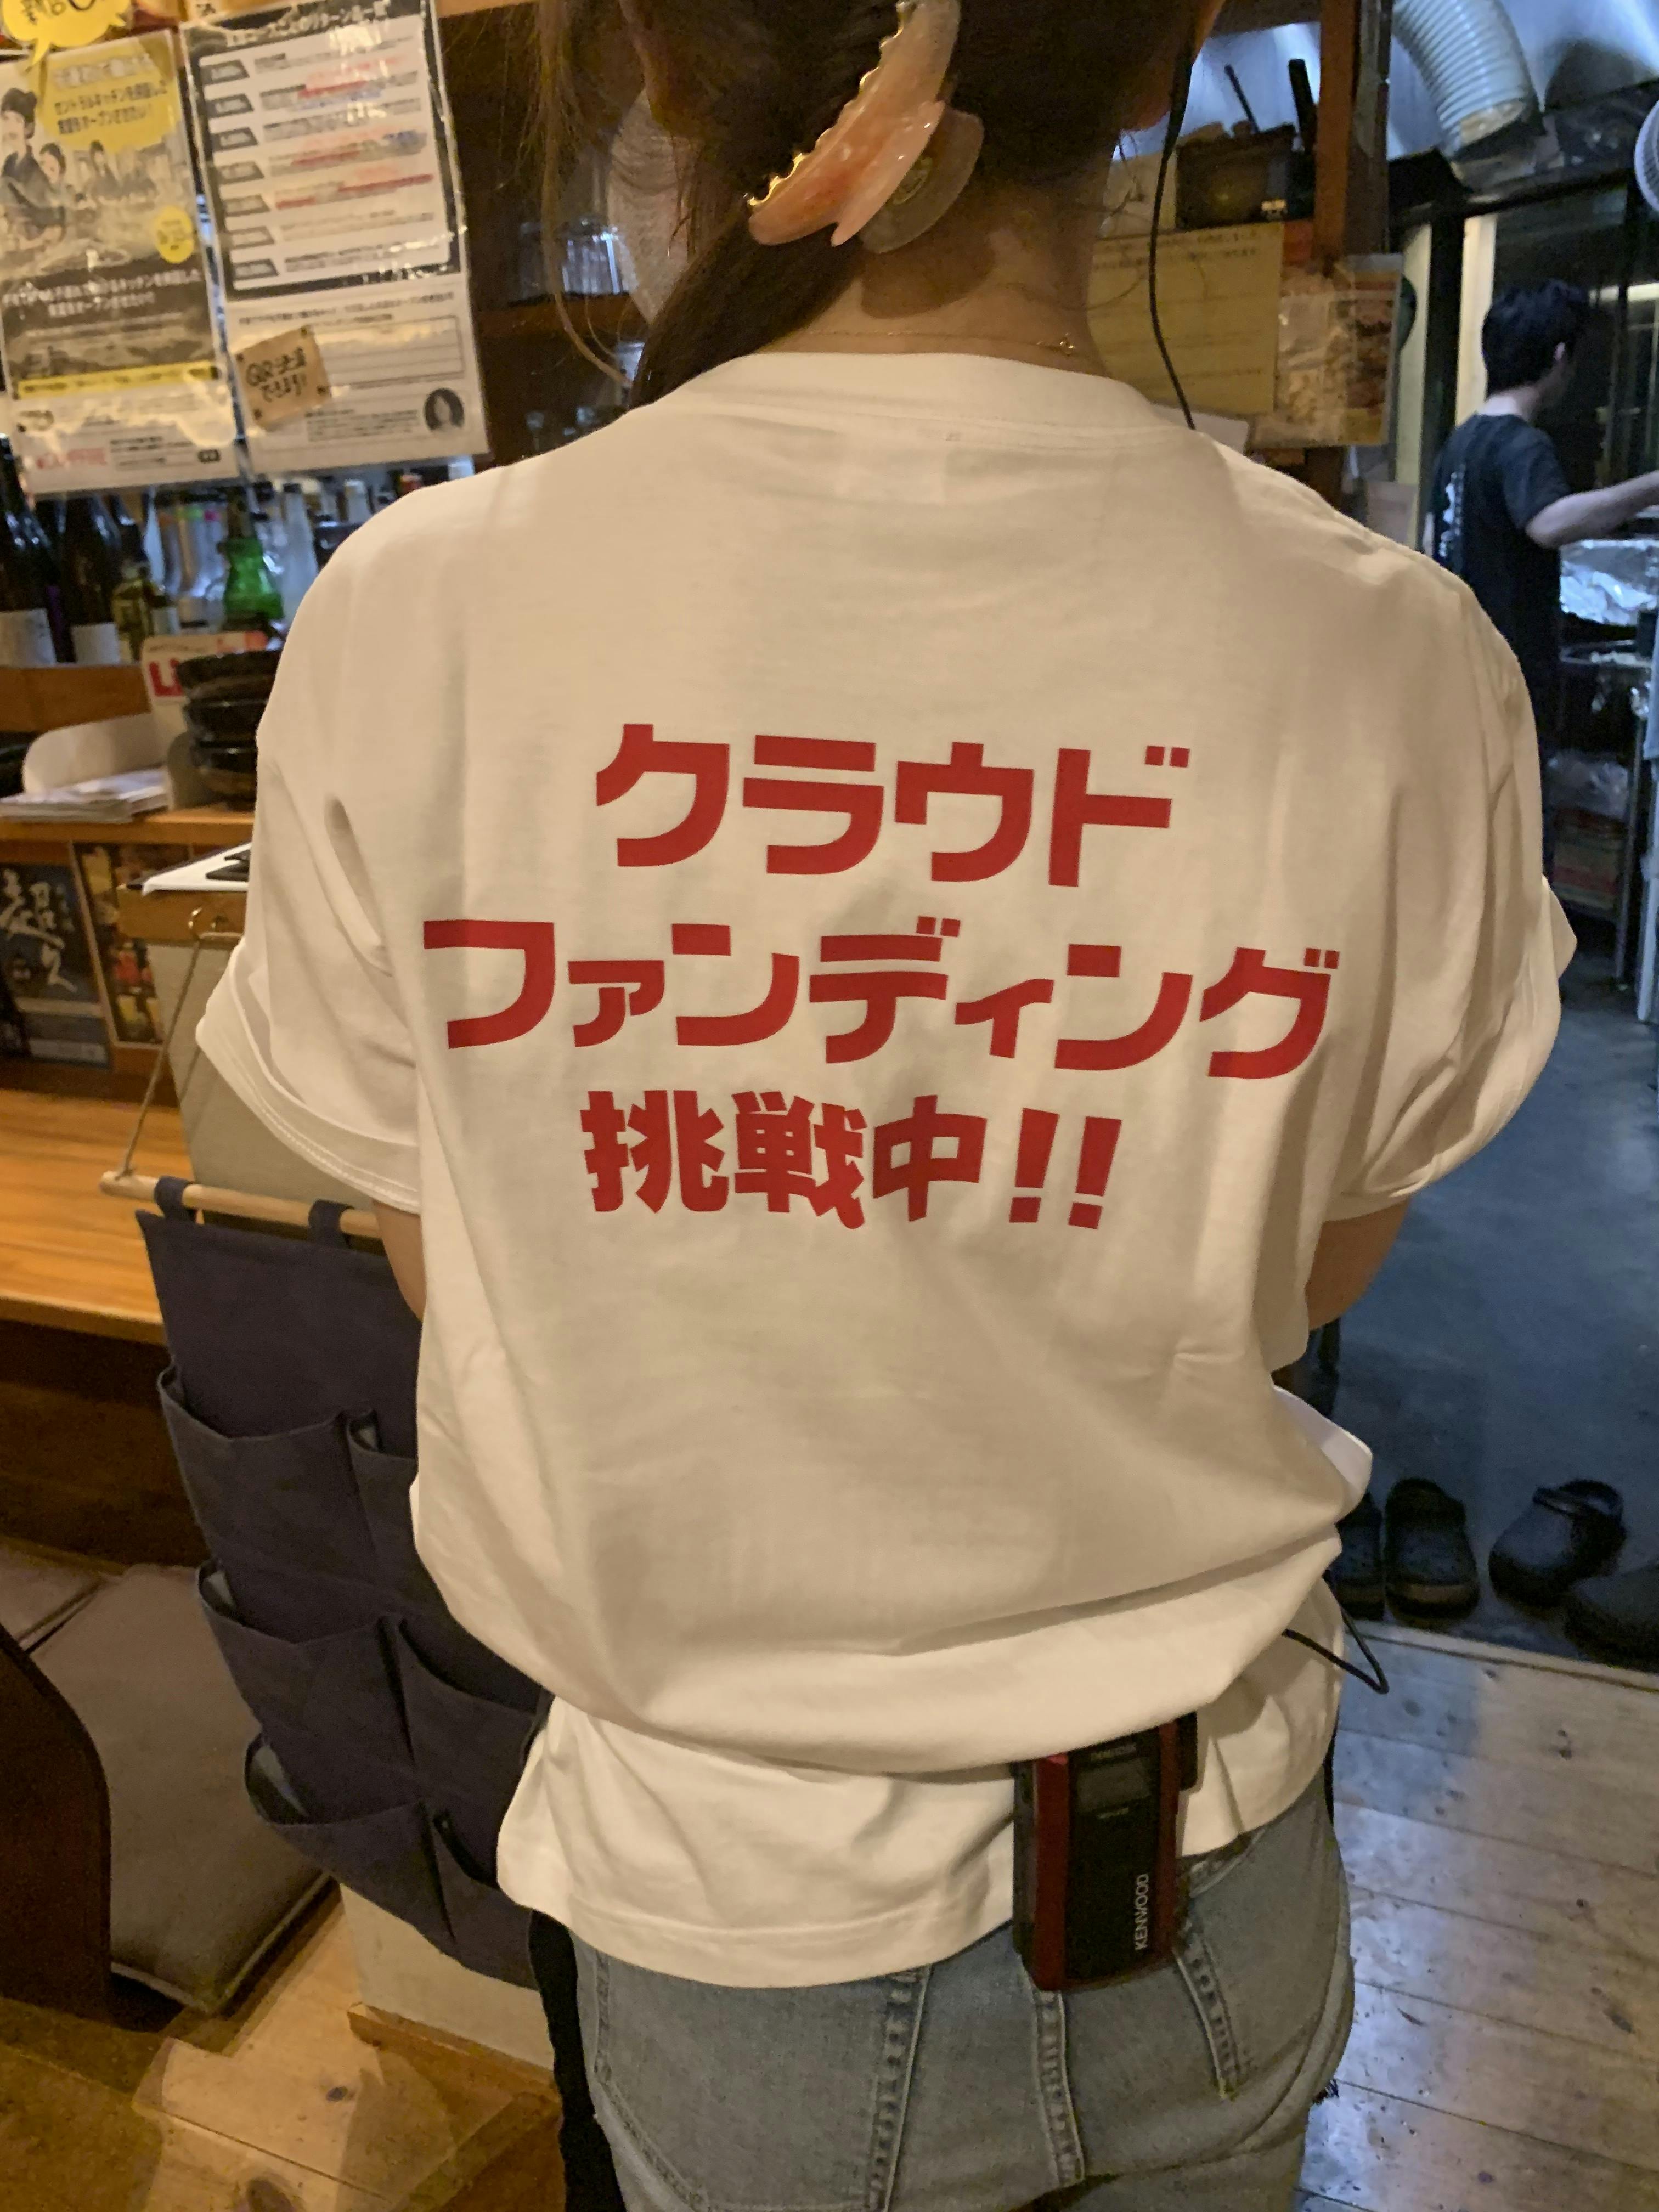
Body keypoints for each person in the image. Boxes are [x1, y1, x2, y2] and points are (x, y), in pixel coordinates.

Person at [198, 2, 1568, 2205]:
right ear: (1164, 52)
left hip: (735, 1920)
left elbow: (463, 1270)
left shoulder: (417, 616)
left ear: (658, 69)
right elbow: (1310, 1267)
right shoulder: (1395, 654)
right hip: (1208, 1866)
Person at [1427, 281, 1659, 773]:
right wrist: (1651, 487)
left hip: (1457, 667)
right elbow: (1549, 524)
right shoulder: (1523, 445)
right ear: (1559, 357)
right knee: (1518, 809)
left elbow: (1431, 541)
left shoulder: (1460, 443)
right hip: (1509, 674)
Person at [0, 89, 57, 241]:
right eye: (6, 119)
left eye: (17, 121)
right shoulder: (9, 164)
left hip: (31, 240)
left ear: (28, 128)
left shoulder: (35, 172)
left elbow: (43, 218)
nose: (10, 128)